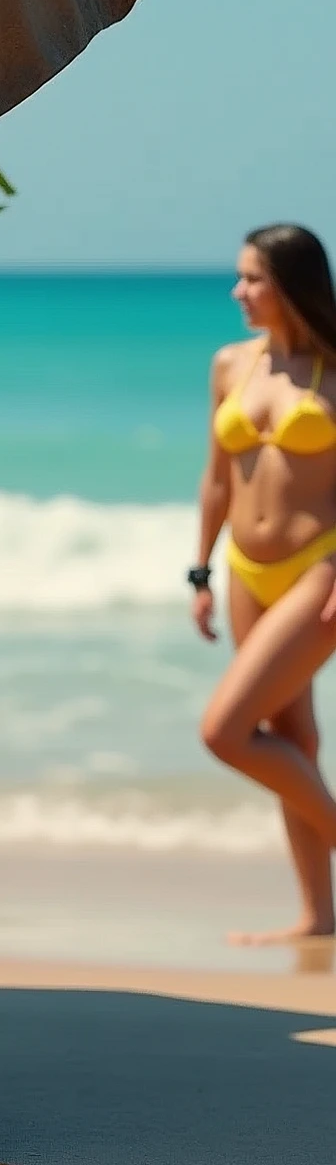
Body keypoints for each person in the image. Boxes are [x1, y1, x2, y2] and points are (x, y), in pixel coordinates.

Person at [192, 224, 336, 944]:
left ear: (290, 283)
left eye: (252, 279)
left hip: (321, 570)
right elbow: (216, 479)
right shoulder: (230, 365)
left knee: (226, 731)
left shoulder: (334, 368)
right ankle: (319, 917)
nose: (238, 291)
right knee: (291, 738)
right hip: (247, 572)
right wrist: (201, 570)